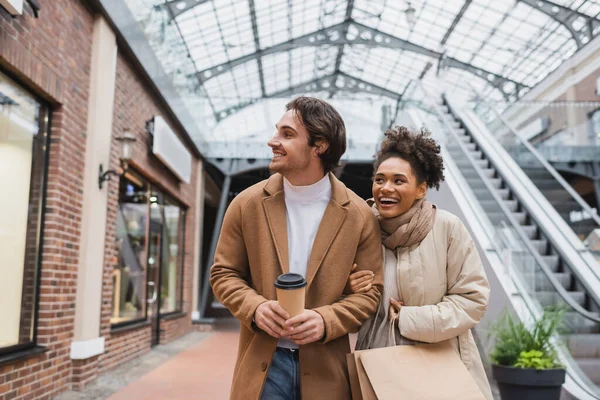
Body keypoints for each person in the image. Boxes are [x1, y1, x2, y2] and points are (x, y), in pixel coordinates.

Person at [210, 96, 383, 400]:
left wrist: (326, 320)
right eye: (277, 131)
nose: (272, 141)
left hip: (327, 371)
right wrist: (256, 307)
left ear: (320, 145)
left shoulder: (359, 215)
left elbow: (370, 293)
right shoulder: (245, 205)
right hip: (263, 368)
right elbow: (224, 274)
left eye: (287, 134)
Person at [347, 126, 494, 400]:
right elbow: (346, 311)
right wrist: (351, 292)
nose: (386, 188)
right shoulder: (360, 230)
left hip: (439, 365)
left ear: (421, 189)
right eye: (380, 179)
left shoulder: (448, 228)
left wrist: (408, 318)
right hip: (377, 364)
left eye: (398, 180)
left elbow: (472, 301)